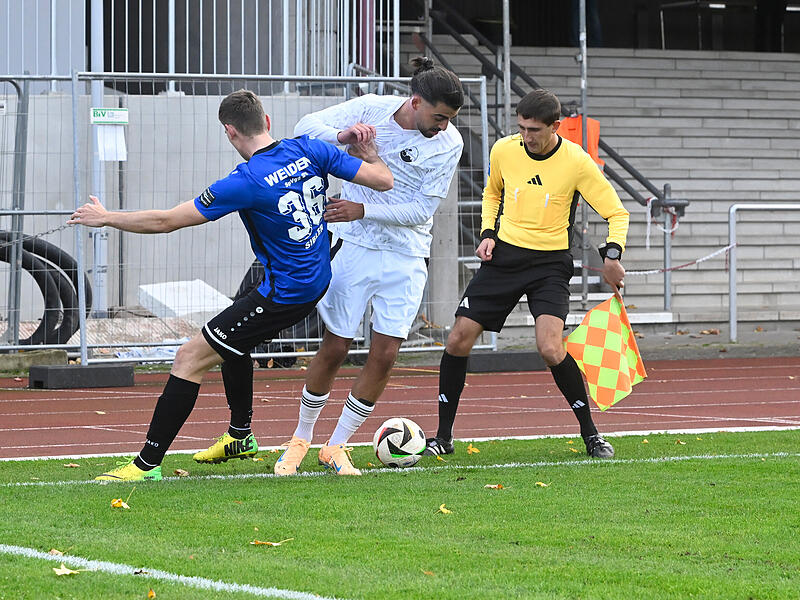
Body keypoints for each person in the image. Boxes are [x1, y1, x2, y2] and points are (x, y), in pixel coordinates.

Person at [67, 89, 393, 481]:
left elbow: (167, 221)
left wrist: (106, 217)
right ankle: (240, 434)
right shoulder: (310, 149)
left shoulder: (244, 181)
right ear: (268, 121)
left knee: (189, 357)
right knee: (231, 332)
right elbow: (383, 180)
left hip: (287, 290)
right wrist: (369, 151)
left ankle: (145, 466)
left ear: (230, 132)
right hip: (315, 273)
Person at [271, 57, 464, 476]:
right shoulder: (373, 108)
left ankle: (336, 446)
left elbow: (420, 209)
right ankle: (300, 439)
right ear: (415, 101)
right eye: (439, 116)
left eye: (450, 119)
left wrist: (363, 208)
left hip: (407, 255)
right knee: (336, 346)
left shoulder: (450, 144)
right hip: (354, 248)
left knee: (385, 355)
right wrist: (343, 136)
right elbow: (305, 128)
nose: (444, 125)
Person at [423, 88, 629, 459]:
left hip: (549, 265)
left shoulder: (577, 161)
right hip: (504, 258)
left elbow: (617, 213)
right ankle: (443, 437)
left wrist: (612, 255)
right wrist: (487, 233)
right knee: (457, 339)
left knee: (550, 348)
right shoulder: (504, 149)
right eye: (521, 128)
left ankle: (591, 436)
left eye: (533, 130)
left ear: (556, 126)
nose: (526, 136)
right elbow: (493, 193)